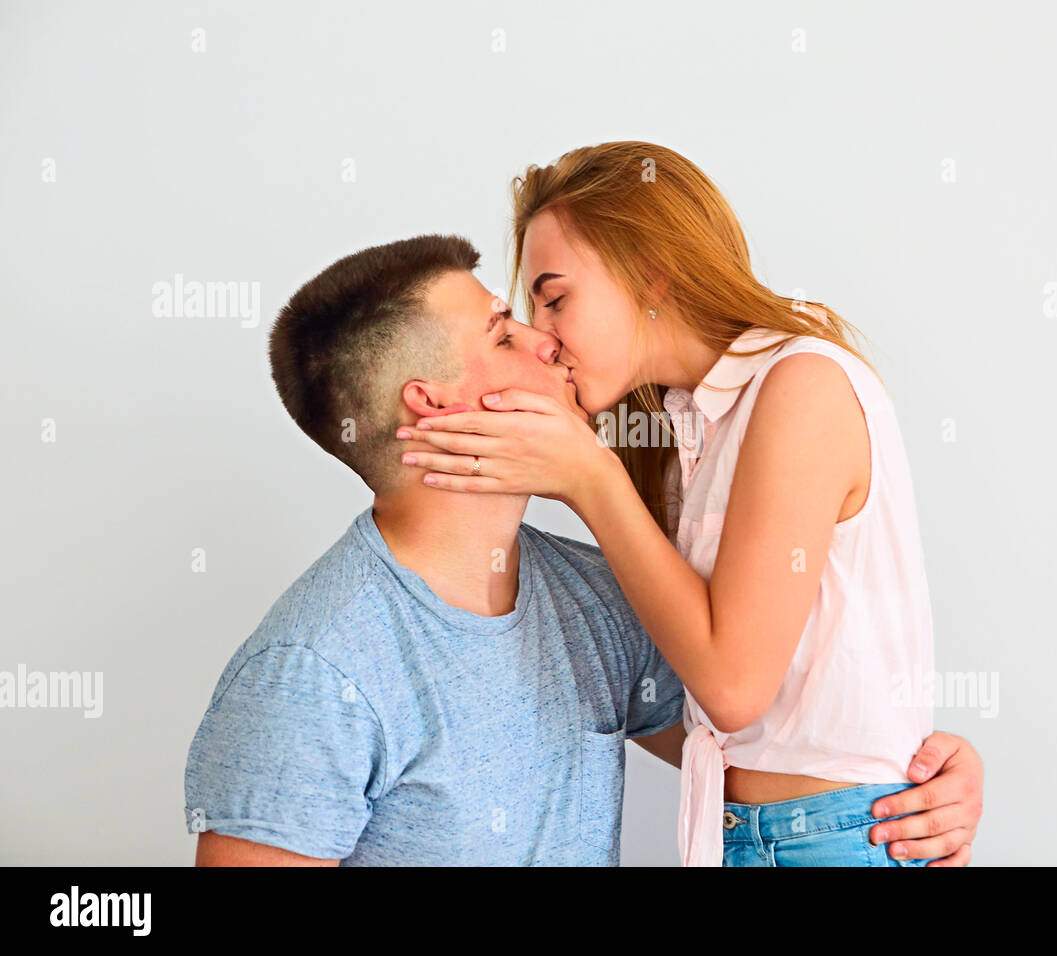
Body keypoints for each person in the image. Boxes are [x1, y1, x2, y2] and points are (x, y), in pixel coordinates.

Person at [185, 233, 983, 865]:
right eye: (504, 335)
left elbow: (756, 723)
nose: (545, 343)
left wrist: (929, 777)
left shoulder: (594, 599)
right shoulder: (313, 674)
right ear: (433, 408)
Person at [399, 142, 967, 866]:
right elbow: (685, 701)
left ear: (652, 275)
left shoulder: (801, 386)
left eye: (556, 297)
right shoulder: (674, 432)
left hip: (838, 839)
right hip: (745, 837)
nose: (544, 333)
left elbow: (733, 687)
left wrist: (590, 480)